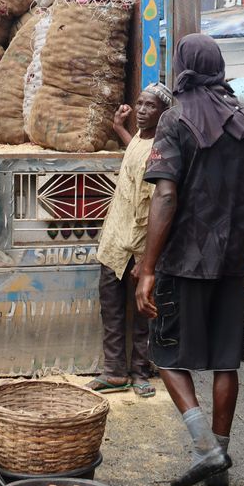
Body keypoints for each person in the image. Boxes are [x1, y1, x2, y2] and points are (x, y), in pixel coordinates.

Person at [135, 34, 244, 486]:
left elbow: (165, 194)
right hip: (231, 260)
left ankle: (207, 449)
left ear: (184, 66)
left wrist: (148, 267)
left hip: (182, 262)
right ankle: (221, 455)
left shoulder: (174, 120)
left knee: (165, 354)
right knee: (225, 360)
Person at [89, 84, 171, 398]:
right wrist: (119, 127)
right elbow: (133, 149)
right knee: (110, 310)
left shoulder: (162, 150)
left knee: (141, 315)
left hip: (139, 248)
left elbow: (157, 209)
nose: (142, 110)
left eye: (150, 106)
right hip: (115, 241)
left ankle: (139, 372)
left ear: (163, 113)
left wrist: (148, 260)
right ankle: (113, 371)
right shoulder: (140, 137)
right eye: (140, 104)